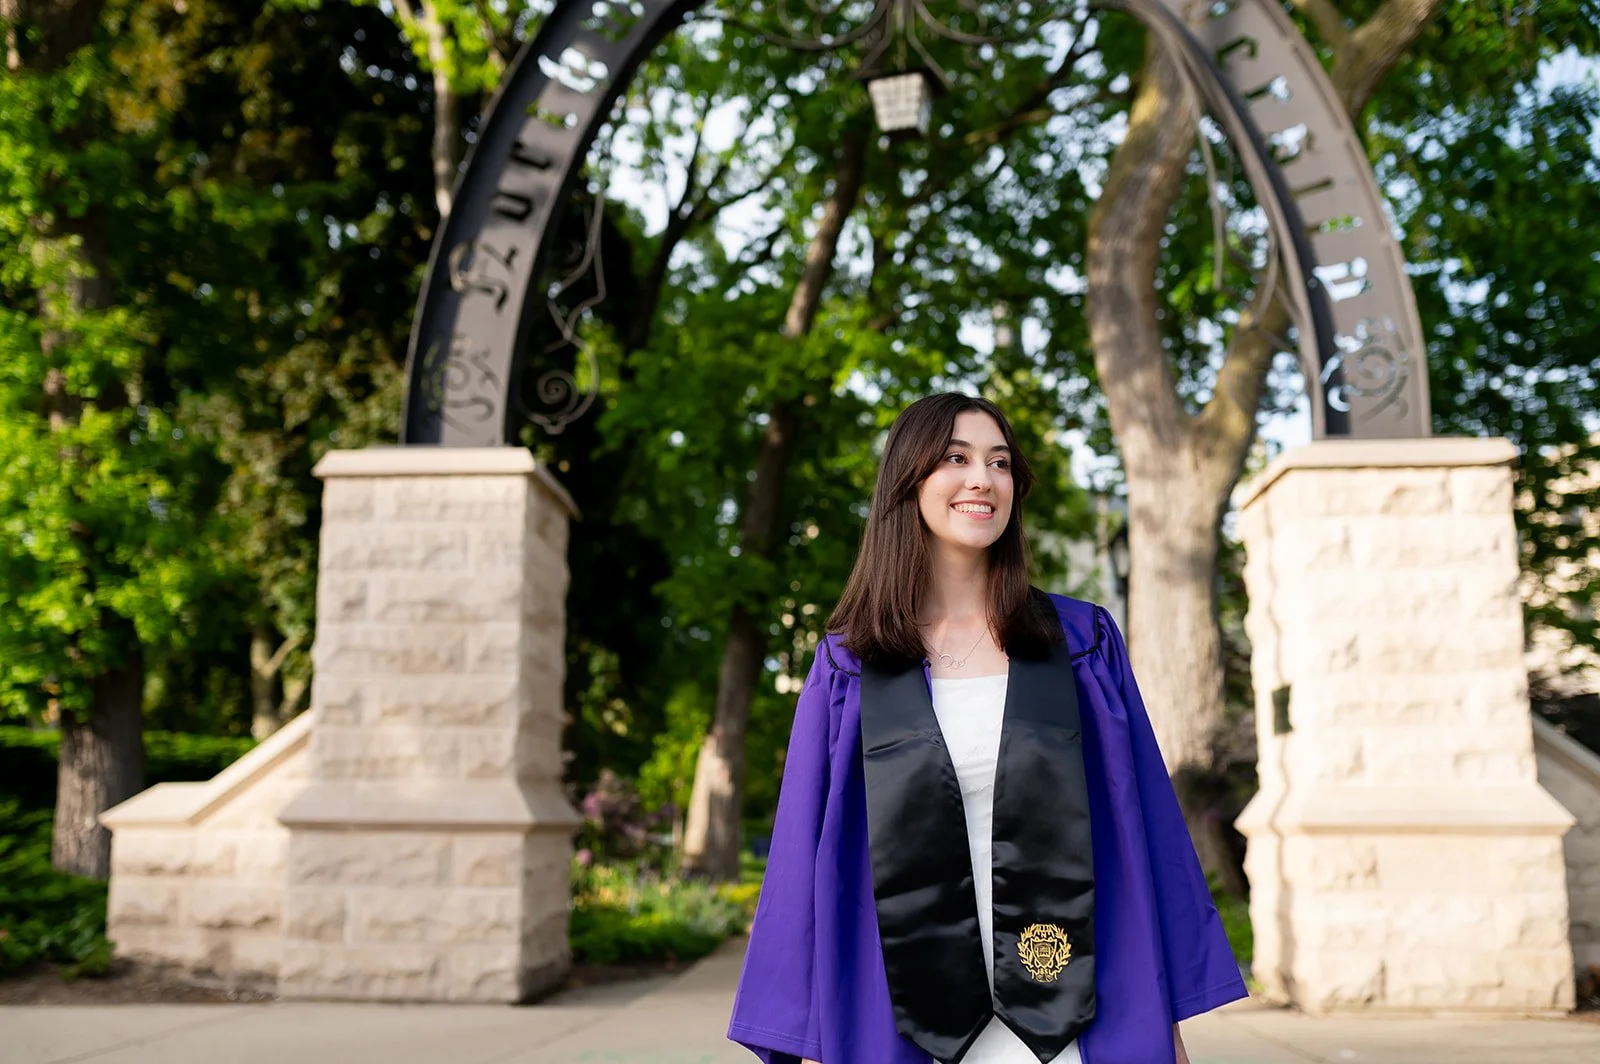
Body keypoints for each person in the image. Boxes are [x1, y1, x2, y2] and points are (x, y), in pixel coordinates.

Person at [726, 393, 1246, 1064]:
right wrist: (808, 1037)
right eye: (955, 458)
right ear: (908, 481)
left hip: (1075, 1005)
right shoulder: (849, 667)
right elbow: (800, 857)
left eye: (999, 462)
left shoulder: (1081, 645)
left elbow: (1146, 828)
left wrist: (1165, 1018)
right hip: (899, 1009)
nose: (982, 478)